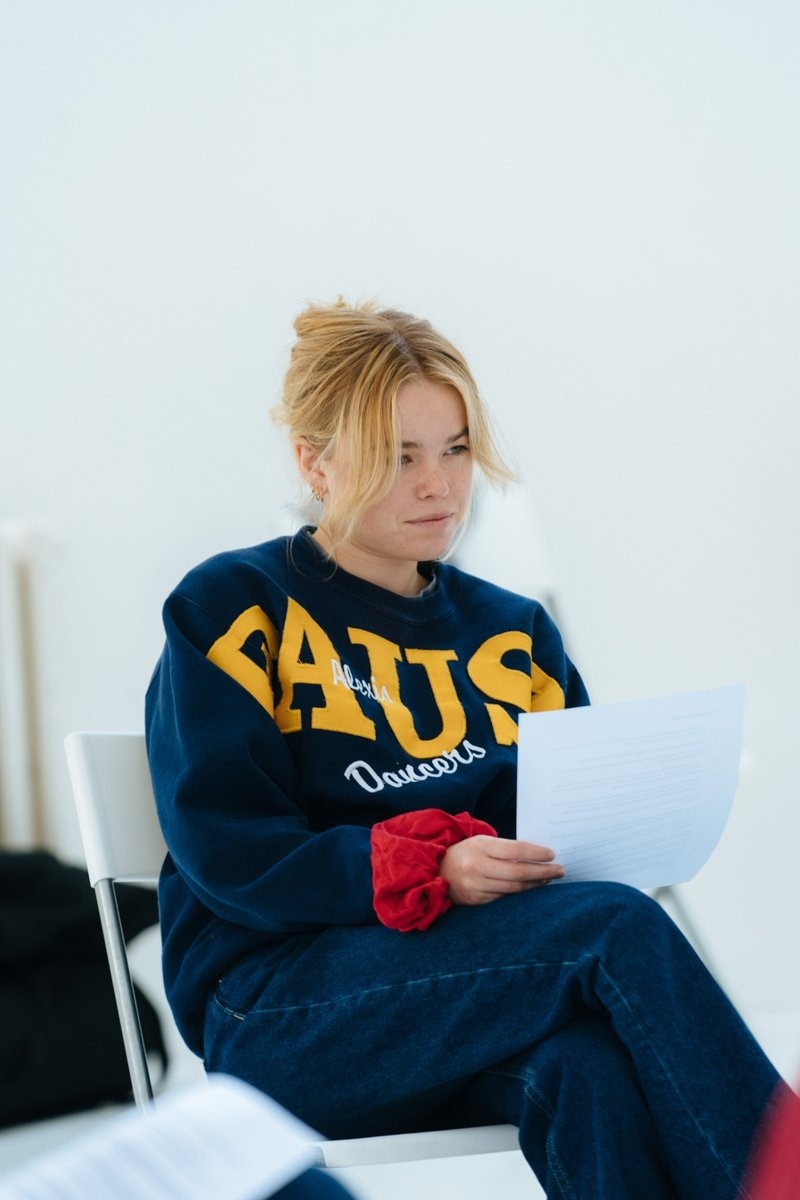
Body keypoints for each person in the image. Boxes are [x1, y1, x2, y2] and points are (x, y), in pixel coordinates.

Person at [146, 298, 789, 1200]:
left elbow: (564, 841)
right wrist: (430, 868)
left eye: (454, 450)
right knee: (614, 931)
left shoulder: (512, 633)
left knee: (586, 1068)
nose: (438, 486)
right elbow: (228, 851)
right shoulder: (232, 606)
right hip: (280, 1013)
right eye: (398, 456)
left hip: (470, 994)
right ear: (314, 462)